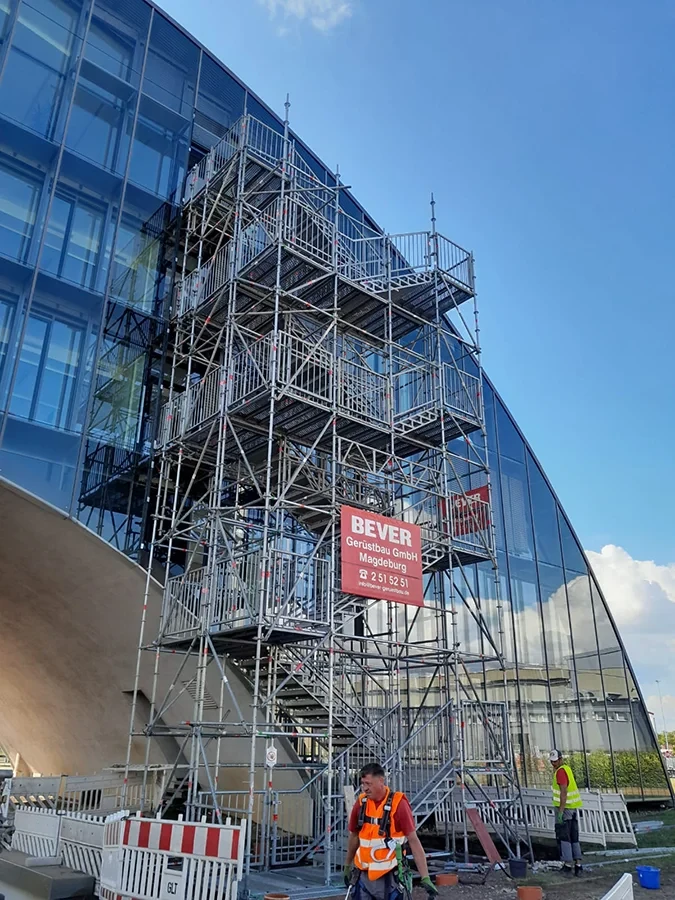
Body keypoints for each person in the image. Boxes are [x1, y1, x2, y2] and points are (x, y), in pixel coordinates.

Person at [343, 762, 438, 900]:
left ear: (381, 781)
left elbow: (413, 840)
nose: (364, 788)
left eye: (368, 784)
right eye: (363, 784)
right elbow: (354, 836)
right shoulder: (361, 803)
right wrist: (347, 864)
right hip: (363, 877)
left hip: (389, 879)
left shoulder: (399, 804)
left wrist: (425, 877)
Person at [550, 749, 583, 876]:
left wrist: (561, 811)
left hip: (564, 808)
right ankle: (578, 865)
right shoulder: (567, 769)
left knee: (564, 836)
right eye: (552, 762)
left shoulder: (561, 772)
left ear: (560, 759)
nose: (554, 764)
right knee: (574, 836)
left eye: (555, 761)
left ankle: (568, 864)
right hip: (573, 808)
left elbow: (563, 791)